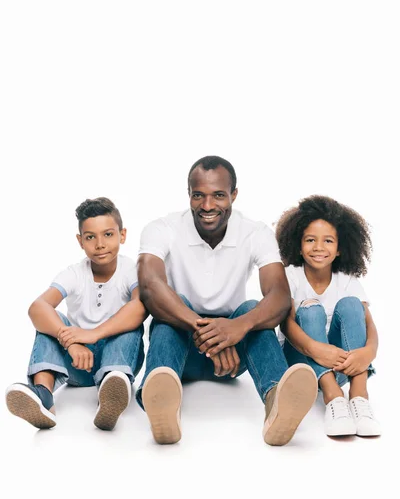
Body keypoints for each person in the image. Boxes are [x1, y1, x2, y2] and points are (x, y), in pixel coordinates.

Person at [136, 155, 318, 446]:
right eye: (199, 196)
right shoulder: (162, 228)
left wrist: (237, 328)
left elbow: (280, 296)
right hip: (181, 347)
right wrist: (207, 331)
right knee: (170, 306)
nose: (207, 206)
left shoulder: (255, 232)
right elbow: (149, 285)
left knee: (249, 309)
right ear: (189, 195)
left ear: (234, 194)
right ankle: (163, 410)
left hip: (234, 355)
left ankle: (277, 403)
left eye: (218, 195)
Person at [5, 197, 147, 431]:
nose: (100, 244)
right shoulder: (74, 273)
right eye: (91, 237)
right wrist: (71, 343)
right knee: (51, 320)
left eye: (108, 234)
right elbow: (37, 307)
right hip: (78, 363)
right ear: (81, 241)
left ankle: (110, 392)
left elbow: (141, 306)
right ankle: (43, 396)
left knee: (130, 323)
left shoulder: (131, 270)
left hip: (119, 359)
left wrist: (93, 334)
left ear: (123, 235)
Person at [275, 195, 380, 437]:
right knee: (310, 308)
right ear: (298, 245)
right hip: (301, 362)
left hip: (341, 363)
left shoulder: (347, 280)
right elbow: (286, 323)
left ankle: (359, 397)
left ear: (340, 247)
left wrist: (368, 353)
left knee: (353, 305)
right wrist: (314, 348)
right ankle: (333, 399)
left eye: (328, 241)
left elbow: (368, 323)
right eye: (310, 240)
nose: (319, 248)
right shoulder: (291, 275)